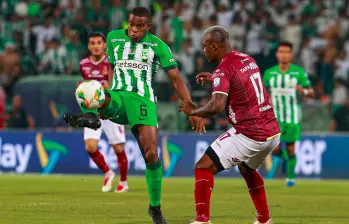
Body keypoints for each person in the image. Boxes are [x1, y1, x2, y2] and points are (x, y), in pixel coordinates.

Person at [64, 7, 204, 224]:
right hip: (118, 96)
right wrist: (106, 94)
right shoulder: (113, 38)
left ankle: (155, 207)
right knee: (90, 87)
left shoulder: (158, 46)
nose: (133, 30)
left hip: (143, 100)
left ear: (148, 27)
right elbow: (110, 68)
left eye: (139, 26)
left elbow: (176, 79)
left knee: (151, 155)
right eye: (131, 25)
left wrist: (191, 110)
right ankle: (92, 114)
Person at [179, 25, 280, 224]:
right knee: (246, 168)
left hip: (251, 133)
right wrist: (215, 79)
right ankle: (264, 220)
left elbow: (217, 106)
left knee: (203, 167)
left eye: (206, 46)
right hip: (272, 133)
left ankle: (202, 220)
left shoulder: (224, 68)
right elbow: (240, 82)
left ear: (215, 46)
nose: (204, 50)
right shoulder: (246, 59)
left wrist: (194, 111)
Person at [79, 32, 129, 193]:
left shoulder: (110, 62)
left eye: (98, 43)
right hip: (93, 112)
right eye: (92, 43)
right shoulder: (83, 64)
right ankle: (108, 172)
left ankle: (124, 182)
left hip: (110, 110)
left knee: (118, 149)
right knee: (90, 147)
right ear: (88, 46)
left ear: (104, 45)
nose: (95, 46)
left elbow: (114, 87)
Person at [263, 41, 315, 187]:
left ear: (291, 55)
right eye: (281, 51)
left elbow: (312, 92)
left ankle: (290, 179)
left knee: (291, 148)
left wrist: (303, 91)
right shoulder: (269, 73)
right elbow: (264, 94)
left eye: (287, 52)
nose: (284, 54)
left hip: (292, 117)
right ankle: (287, 161)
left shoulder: (299, 72)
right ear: (277, 54)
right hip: (274, 118)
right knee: (272, 147)